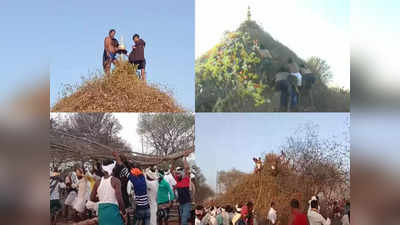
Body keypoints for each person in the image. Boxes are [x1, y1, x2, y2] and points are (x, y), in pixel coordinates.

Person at [113, 151, 151, 225]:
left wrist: (117, 157)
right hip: (147, 209)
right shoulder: (143, 178)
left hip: (139, 209)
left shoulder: (134, 181)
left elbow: (124, 169)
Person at [90, 160, 126, 225]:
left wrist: (103, 199)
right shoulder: (116, 181)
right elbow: (119, 198)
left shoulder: (98, 182)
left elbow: (92, 198)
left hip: (101, 212)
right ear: (113, 168)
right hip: (113, 210)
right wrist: (124, 212)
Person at [171, 153, 192, 225]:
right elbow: (171, 171)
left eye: (179, 173)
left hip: (187, 203)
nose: (178, 175)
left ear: (182, 174)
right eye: (177, 174)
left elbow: (187, 168)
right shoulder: (176, 180)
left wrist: (184, 159)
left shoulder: (186, 179)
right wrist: (173, 161)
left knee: (183, 220)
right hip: (180, 203)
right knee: (182, 219)